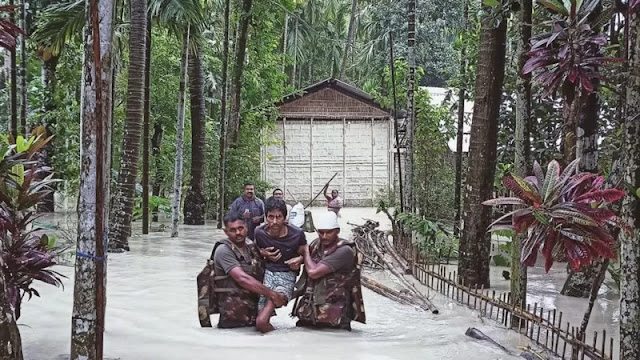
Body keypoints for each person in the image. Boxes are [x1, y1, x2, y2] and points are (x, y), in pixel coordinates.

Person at [210, 212, 288, 329]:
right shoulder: (223, 250)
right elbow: (243, 279)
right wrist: (273, 295)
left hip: (253, 315)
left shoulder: (250, 245)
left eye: (240, 228)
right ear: (225, 231)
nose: (238, 233)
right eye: (233, 230)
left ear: (246, 227)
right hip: (232, 319)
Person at [291, 211, 366, 330]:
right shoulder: (316, 245)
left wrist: (305, 252)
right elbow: (305, 280)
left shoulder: (345, 251)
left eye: (329, 232)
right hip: (310, 314)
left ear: (337, 231)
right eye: (321, 232)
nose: (324, 236)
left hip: (334, 318)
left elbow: (313, 272)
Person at [254, 197, 306, 333]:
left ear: (285, 217)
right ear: (265, 217)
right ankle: (277, 339)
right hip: (267, 275)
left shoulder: (297, 234)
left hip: (286, 276)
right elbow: (253, 253)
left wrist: (300, 260)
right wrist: (262, 253)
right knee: (259, 319)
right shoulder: (259, 233)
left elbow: (309, 254)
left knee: (261, 322)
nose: (274, 222)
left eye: (279, 217)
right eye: (270, 217)